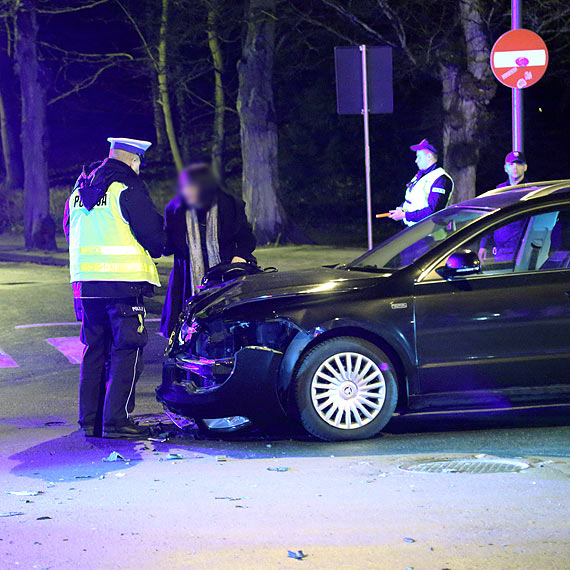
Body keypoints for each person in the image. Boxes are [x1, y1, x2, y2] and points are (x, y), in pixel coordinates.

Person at [63, 137, 166, 439]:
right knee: (127, 349)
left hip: (85, 287)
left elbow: (70, 232)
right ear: (134, 161)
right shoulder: (127, 188)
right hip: (122, 286)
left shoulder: (77, 192)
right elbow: (155, 238)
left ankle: (90, 422)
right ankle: (117, 421)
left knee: (94, 350)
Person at [160, 163, 256, 337]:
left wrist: (239, 256)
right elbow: (169, 245)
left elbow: (246, 238)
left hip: (224, 274)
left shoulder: (230, 205)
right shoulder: (175, 209)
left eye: (191, 186)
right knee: (187, 329)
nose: (186, 191)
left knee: (226, 326)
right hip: (187, 278)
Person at [478, 151, 529, 263]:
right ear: (506, 168)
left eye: (519, 164)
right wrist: (484, 244)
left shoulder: (531, 191)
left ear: (525, 167)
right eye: (511, 164)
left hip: (523, 248)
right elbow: (491, 218)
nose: (515, 167)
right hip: (502, 250)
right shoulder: (500, 191)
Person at [389, 139, 454, 226]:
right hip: (416, 229)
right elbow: (413, 200)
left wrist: (405, 215)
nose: (416, 160)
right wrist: (401, 209)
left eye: (419, 157)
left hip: (430, 233)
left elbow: (434, 210)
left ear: (429, 157)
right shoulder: (421, 175)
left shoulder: (441, 179)